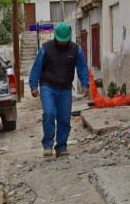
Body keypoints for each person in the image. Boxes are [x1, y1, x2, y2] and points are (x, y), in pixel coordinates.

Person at [28, 22, 90, 157]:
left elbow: (82, 68)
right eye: (60, 41)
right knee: (49, 113)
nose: (62, 44)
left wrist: (85, 84)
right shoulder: (46, 48)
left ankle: (61, 147)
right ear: (55, 37)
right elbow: (36, 67)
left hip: (65, 88)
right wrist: (33, 86)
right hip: (47, 86)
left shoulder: (75, 49)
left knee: (64, 118)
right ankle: (48, 145)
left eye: (65, 41)